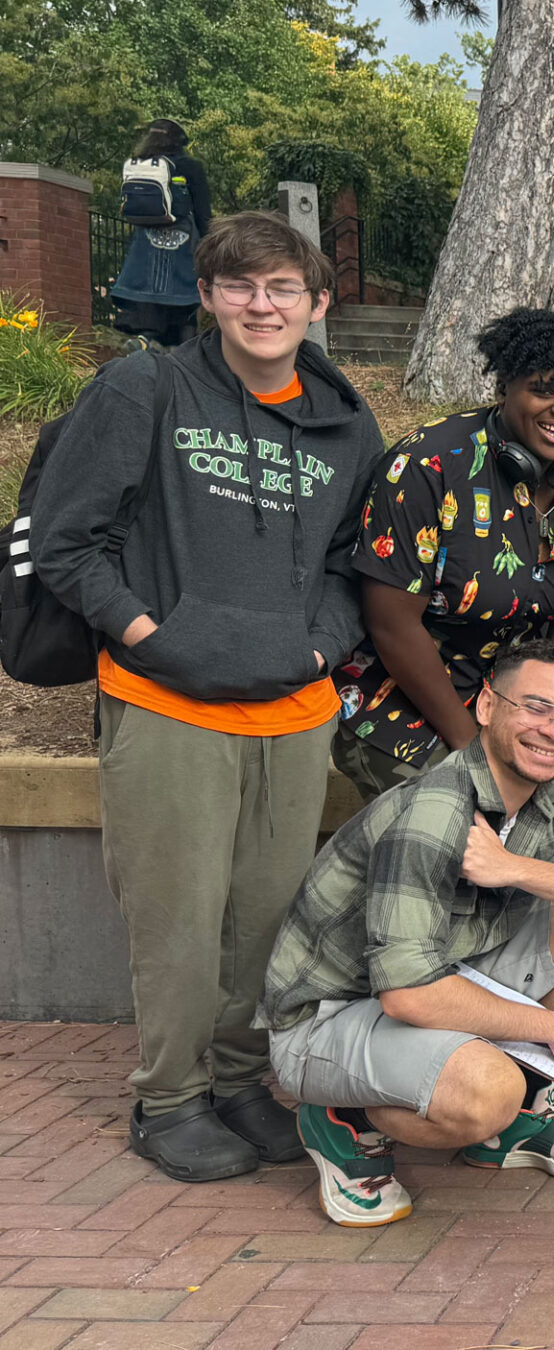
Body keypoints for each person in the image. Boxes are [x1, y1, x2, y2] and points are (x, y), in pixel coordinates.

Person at [32, 211, 383, 1183]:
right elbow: (68, 542)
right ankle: (169, 1098)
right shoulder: (147, 387)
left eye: (281, 288)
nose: (260, 304)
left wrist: (321, 651)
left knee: (264, 918)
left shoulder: (349, 425)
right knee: (179, 916)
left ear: (318, 303)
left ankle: (237, 1083)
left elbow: (359, 563)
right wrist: (155, 637)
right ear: (208, 298)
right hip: (168, 699)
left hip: (294, 710)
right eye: (239, 286)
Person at [255, 641, 554, 1227]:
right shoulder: (435, 811)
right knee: (486, 1093)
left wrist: (516, 869)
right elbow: (408, 993)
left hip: (441, 975)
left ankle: (514, 1121)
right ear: (487, 706)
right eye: (536, 708)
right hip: (329, 1019)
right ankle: (347, 1122)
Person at [331, 308, 554, 798]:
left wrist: (546, 716)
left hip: (518, 704)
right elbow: (392, 625)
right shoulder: (426, 466)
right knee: (455, 827)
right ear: (504, 387)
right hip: (409, 704)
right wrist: (472, 748)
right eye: (544, 390)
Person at [109, 118, 211, 348]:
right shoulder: (189, 167)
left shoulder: (138, 164)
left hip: (144, 246)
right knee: (185, 304)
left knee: (150, 302)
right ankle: (185, 357)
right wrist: (210, 247)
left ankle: (145, 341)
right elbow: (204, 213)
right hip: (183, 244)